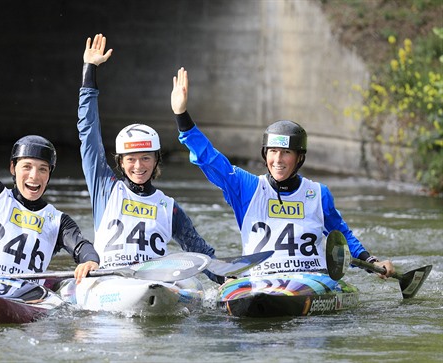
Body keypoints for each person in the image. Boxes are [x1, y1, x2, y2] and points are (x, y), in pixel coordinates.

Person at [170, 67, 395, 279]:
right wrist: (182, 118)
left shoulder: (318, 194)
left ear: (299, 158)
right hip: (261, 280)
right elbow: (210, 159)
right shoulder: (247, 187)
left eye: (286, 152)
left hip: (309, 280)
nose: (277, 160)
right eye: (273, 152)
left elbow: (341, 237)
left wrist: (371, 262)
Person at [77, 34, 223, 283]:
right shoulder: (105, 188)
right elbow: (88, 134)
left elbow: (200, 252)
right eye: (131, 159)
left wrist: (228, 281)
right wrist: (89, 72)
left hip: (153, 284)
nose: (138, 166)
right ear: (121, 162)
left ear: (156, 161)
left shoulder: (169, 207)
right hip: (110, 281)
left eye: (146, 158)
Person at [0, 40, 99, 284]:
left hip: (21, 298)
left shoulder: (57, 220)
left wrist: (89, 260)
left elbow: (81, 246)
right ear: (13, 169)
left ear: (49, 175)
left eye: (43, 169)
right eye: (27, 167)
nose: (34, 176)